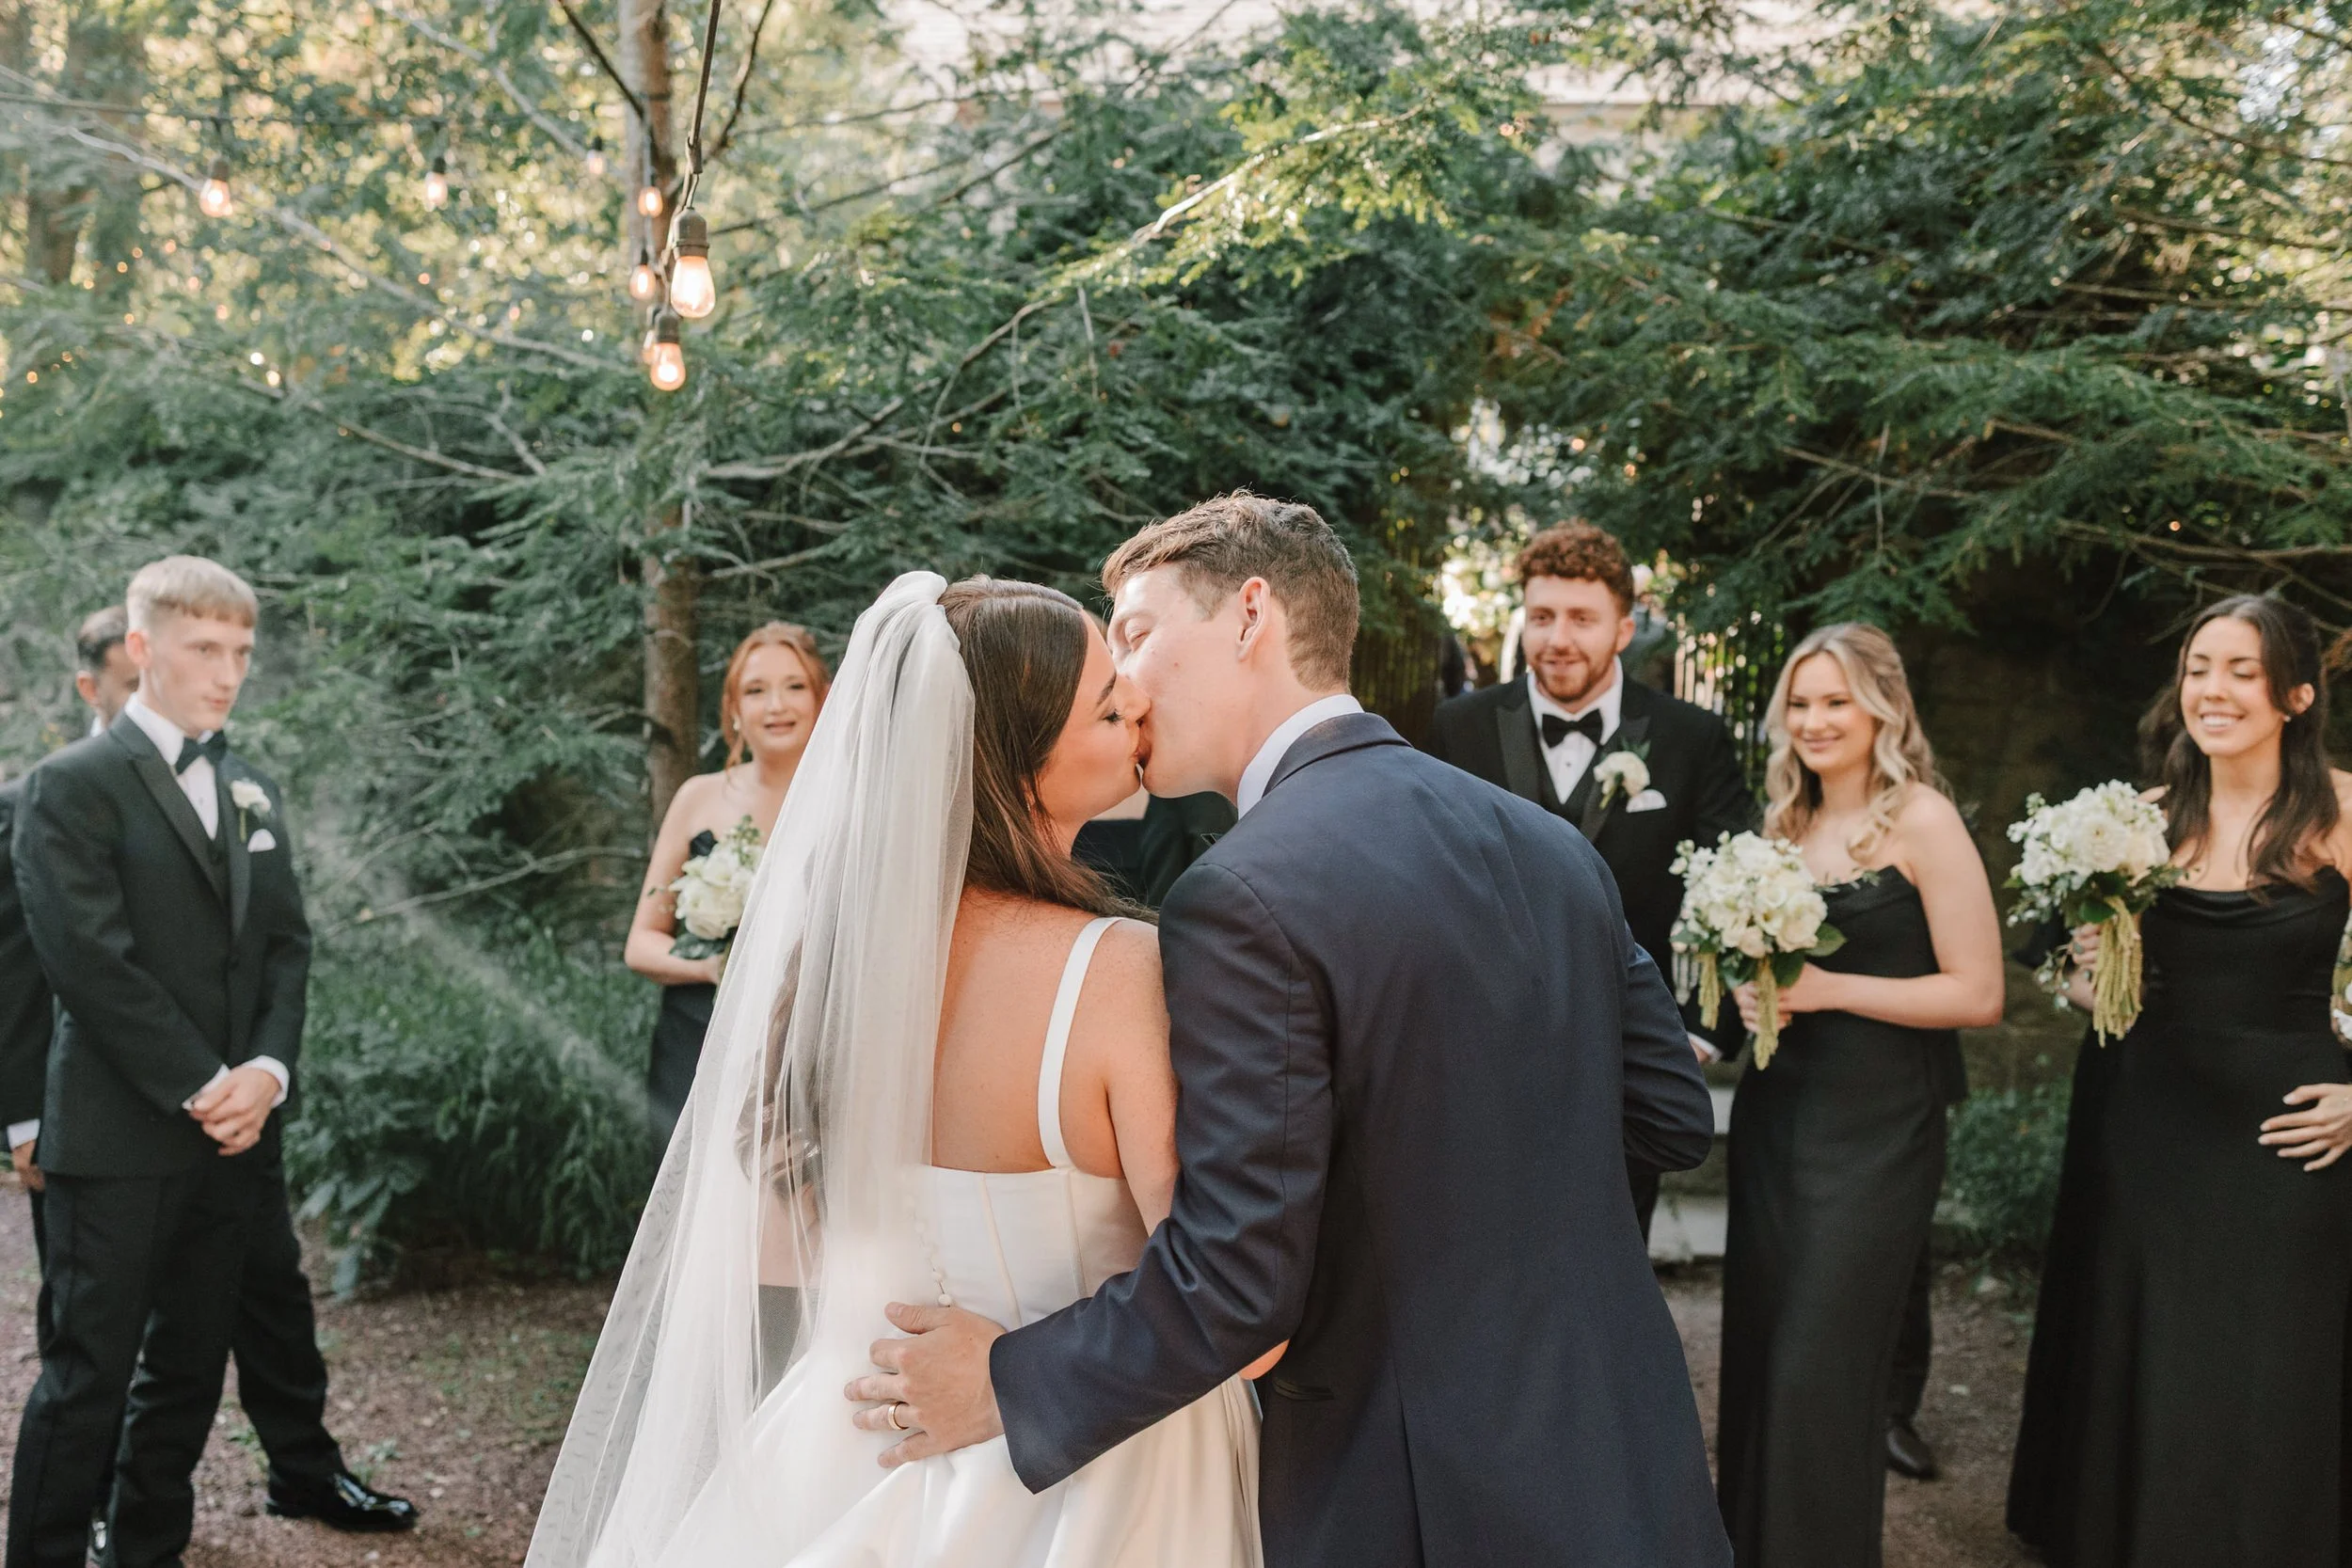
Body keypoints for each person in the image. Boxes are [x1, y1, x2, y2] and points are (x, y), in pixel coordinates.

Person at [854, 494, 1728, 1566]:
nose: (1121, 683)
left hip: (1413, 1480)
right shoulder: (1547, 843)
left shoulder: (1241, 893)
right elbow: (1671, 1114)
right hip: (1619, 1443)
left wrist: (1005, 1379)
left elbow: (1237, 1277)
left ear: (1250, 613)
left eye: (1133, 633)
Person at [528, 572, 1265, 1567]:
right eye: (1104, 702)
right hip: (1101, 1465)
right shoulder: (1116, 970)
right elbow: (1223, 1297)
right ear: (1019, 764)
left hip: (856, 1430)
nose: (1135, 698)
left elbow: (801, 1238)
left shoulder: (837, 969)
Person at [5, 560, 408, 1568]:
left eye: (241, 652)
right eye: (204, 649)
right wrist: (204, 1082)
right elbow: (90, 962)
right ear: (142, 649)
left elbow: (285, 946)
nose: (228, 673)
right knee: (87, 1373)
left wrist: (266, 1071)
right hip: (116, 1133)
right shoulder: (65, 787)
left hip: (236, 1136)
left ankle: (145, 1549)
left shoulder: (250, 784)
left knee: (185, 1369)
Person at [2009, 594, 2352, 1568]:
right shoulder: (2134, 821)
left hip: (2284, 1133)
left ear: (2294, 692)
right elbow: (2090, 992)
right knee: (2148, 1348)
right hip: (2141, 1124)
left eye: (2242, 670)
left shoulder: (2341, 810)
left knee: (2261, 1361)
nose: (2213, 689)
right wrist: (2087, 975)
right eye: (2200, 666)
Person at [1713, 624, 2003, 1568]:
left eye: (1835, 700)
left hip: (1877, 1127)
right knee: (1760, 1349)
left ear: (1882, 706)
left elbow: (1979, 992)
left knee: (1821, 1366)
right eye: (1799, 702)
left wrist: (1831, 989)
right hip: (1777, 1114)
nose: (1814, 719)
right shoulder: (1779, 826)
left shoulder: (1920, 820)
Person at [1422, 522, 1754, 1237]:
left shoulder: (1691, 738)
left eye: (1581, 618)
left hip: (1625, 1056)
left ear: (1624, 628)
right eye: (1541, 617)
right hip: (1487, 1049)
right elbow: (1430, 878)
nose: (1557, 639)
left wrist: (1699, 1033)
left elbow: (1734, 886)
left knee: (1611, 1251)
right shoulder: (1462, 726)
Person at [625, 623, 829, 1143]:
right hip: (694, 1040)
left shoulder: (847, 807)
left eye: (795, 686)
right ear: (734, 709)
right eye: (756, 691)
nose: (776, 705)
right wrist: (713, 967)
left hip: (806, 1046)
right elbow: (642, 943)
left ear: (824, 698)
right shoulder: (698, 798)